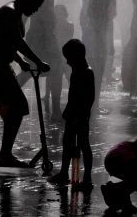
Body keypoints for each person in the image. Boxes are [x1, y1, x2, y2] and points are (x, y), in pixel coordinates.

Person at [0, 0, 50, 167]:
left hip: (0, 66)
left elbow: (6, 42)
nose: (36, 10)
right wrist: (37, 61)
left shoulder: (14, 13)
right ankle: (4, 154)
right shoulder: (10, 12)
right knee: (18, 106)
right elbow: (17, 42)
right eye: (36, 5)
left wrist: (20, 62)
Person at [18, 0, 63, 118]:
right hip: (41, 36)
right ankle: (56, 110)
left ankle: (56, 109)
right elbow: (26, 12)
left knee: (33, 70)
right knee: (50, 69)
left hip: (43, 35)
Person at [48, 39, 94, 190]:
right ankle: (68, 174)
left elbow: (84, 98)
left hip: (79, 115)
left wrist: (75, 114)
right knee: (70, 143)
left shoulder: (85, 72)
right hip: (77, 113)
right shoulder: (81, 70)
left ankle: (85, 178)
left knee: (81, 145)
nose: (67, 62)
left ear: (76, 57)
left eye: (68, 58)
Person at [86, 0, 120, 115]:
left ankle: (94, 104)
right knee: (96, 74)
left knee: (97, 74)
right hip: (96, 39)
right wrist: (104, 42)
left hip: (100, 38)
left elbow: (108, 22)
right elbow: (98, 23)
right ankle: (93, 106)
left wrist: (110, 42)